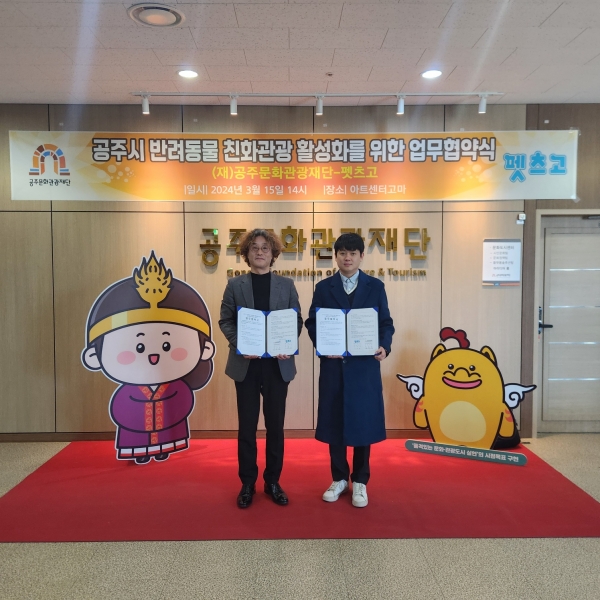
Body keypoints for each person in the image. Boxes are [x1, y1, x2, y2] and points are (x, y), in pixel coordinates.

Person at [82, 251, 216, 463]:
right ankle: (142, 452)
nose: (154, 355)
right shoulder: (130, 391)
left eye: (166, 345)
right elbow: (120, 409)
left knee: (167, 437)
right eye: (139, 346)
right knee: (138, 439)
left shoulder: (177, 386)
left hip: (170, 425)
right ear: (94, 356)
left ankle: (163, 448)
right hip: (135, 429)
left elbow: (184, 401)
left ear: (204, 349)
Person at [305, 233, 394, 508]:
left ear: (361, 256)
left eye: (353, 253)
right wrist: (323, 344)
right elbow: (312, 322)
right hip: (334, 367)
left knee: (363, 423)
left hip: (364, 368)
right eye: (342, 252)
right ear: (336, 256)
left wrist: (384, 346)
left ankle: (361, 480)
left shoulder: (375, 287)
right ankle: (339, 478)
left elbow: (386, 323)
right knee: (335, 421)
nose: (347, 258)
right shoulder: (324, 287)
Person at [219, 229, 303, 508]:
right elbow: (225, 321)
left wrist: (288, 344)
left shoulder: (286, 285)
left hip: (278, 365)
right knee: (247, 426)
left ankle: (273, 481)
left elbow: (296, 320)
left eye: (265, 247)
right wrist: (241, 343)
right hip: (247, 365)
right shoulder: (235, 285)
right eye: (254, 247)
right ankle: (247, 483)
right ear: (246, 253)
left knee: (275, 426)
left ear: (273, 253)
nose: (259, 252)